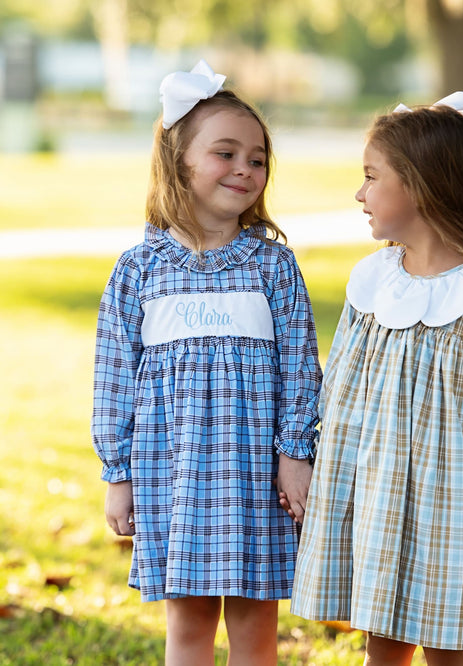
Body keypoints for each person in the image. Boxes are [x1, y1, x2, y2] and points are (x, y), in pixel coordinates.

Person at [285, 92, 463, 665]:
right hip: (376, 496)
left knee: (447, 648)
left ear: (421, 187)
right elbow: (339, 390)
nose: (359, 193)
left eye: (372, 177)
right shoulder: (373, 282)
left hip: (450, 506)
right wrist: (318, 466)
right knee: (383, 645)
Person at [91, 59, 322, 666]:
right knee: (188, 620)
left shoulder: (272, 267)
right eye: (226, 153)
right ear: (179, 161)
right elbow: (114, 377)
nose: (245, 169)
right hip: (173, 472)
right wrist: (118, 475)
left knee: (254, 622)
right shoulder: (139, 270)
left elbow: (301, 367)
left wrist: (295, 456)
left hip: (256, 478)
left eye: (257, 158)